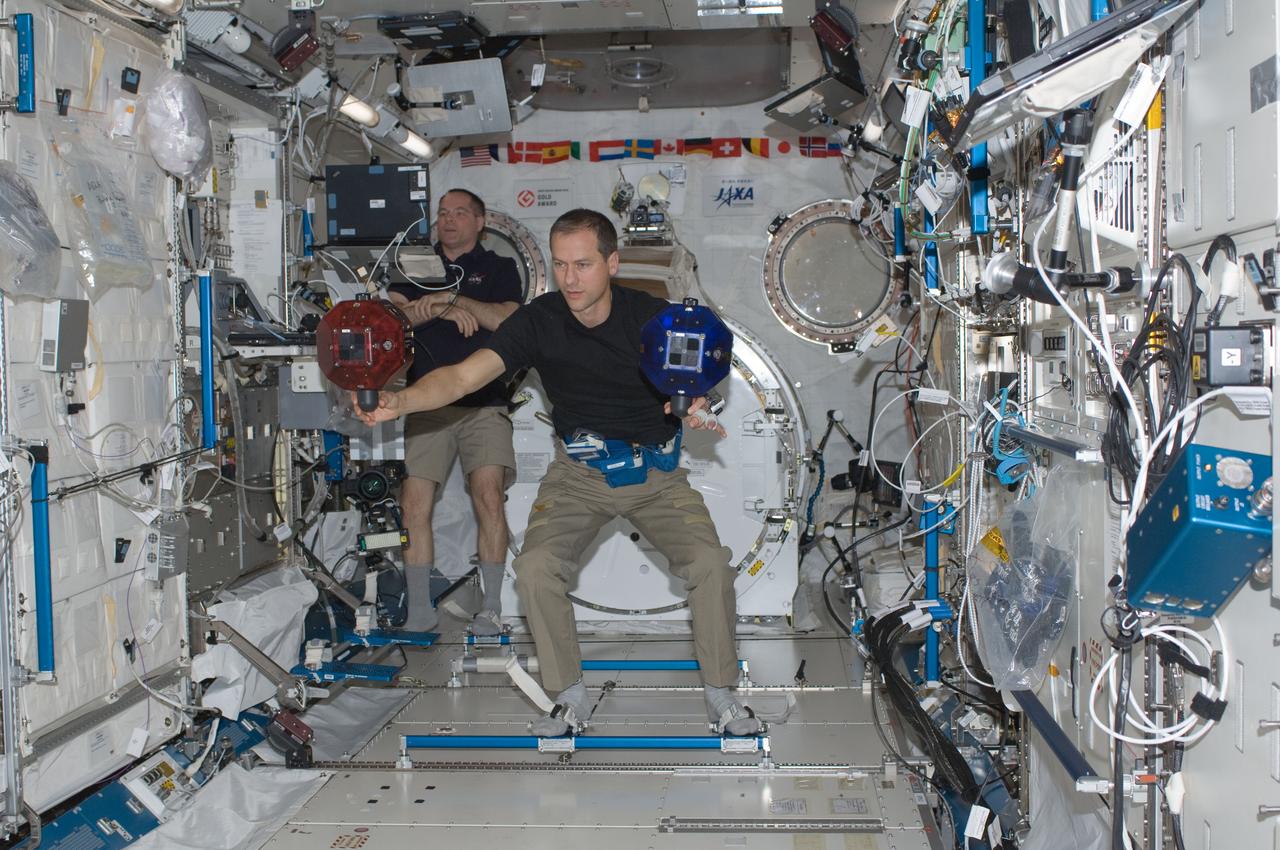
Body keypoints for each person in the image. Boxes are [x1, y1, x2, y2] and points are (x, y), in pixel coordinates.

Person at [360, 208, 762, 737]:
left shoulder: (651, 318)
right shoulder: (538, 320)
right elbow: (461, 377)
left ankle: (721, 695)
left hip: (654, 475)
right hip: (578, 474)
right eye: (561, 265)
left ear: (612, 264)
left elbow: (700, 367)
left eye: (584, 265)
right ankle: (569, 697)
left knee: (709, 563)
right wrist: (401, 400)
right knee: (536, 568)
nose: (571, 278)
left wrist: (693, 401)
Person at [386, 189, 521, 635]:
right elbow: (395, 319)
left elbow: (506, 321)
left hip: (484, 404)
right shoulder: (413, 266)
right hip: (427, 404)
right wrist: (437, 309)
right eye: (443, 213)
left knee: (488, 498)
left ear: (480, 221)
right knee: (413, 505)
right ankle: (420, 611)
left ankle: (492, 607)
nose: (449, 220)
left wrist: (449, 303)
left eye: (460, 213)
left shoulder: (498, 268)